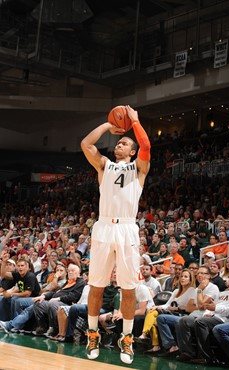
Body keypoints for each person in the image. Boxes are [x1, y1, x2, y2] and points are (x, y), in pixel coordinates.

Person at [81, 105, 151, 364]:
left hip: (127, 229)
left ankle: (127, 338)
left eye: (123, 143)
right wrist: (108, 127)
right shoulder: (104, 166)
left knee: (129, 288)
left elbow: (146, 146)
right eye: (118, 142)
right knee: (96, 285)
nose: (118, 145)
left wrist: (135, 122)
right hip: (103, 227)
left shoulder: (139, 168)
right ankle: (92, 333)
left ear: (132, 152)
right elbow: (86, 144)